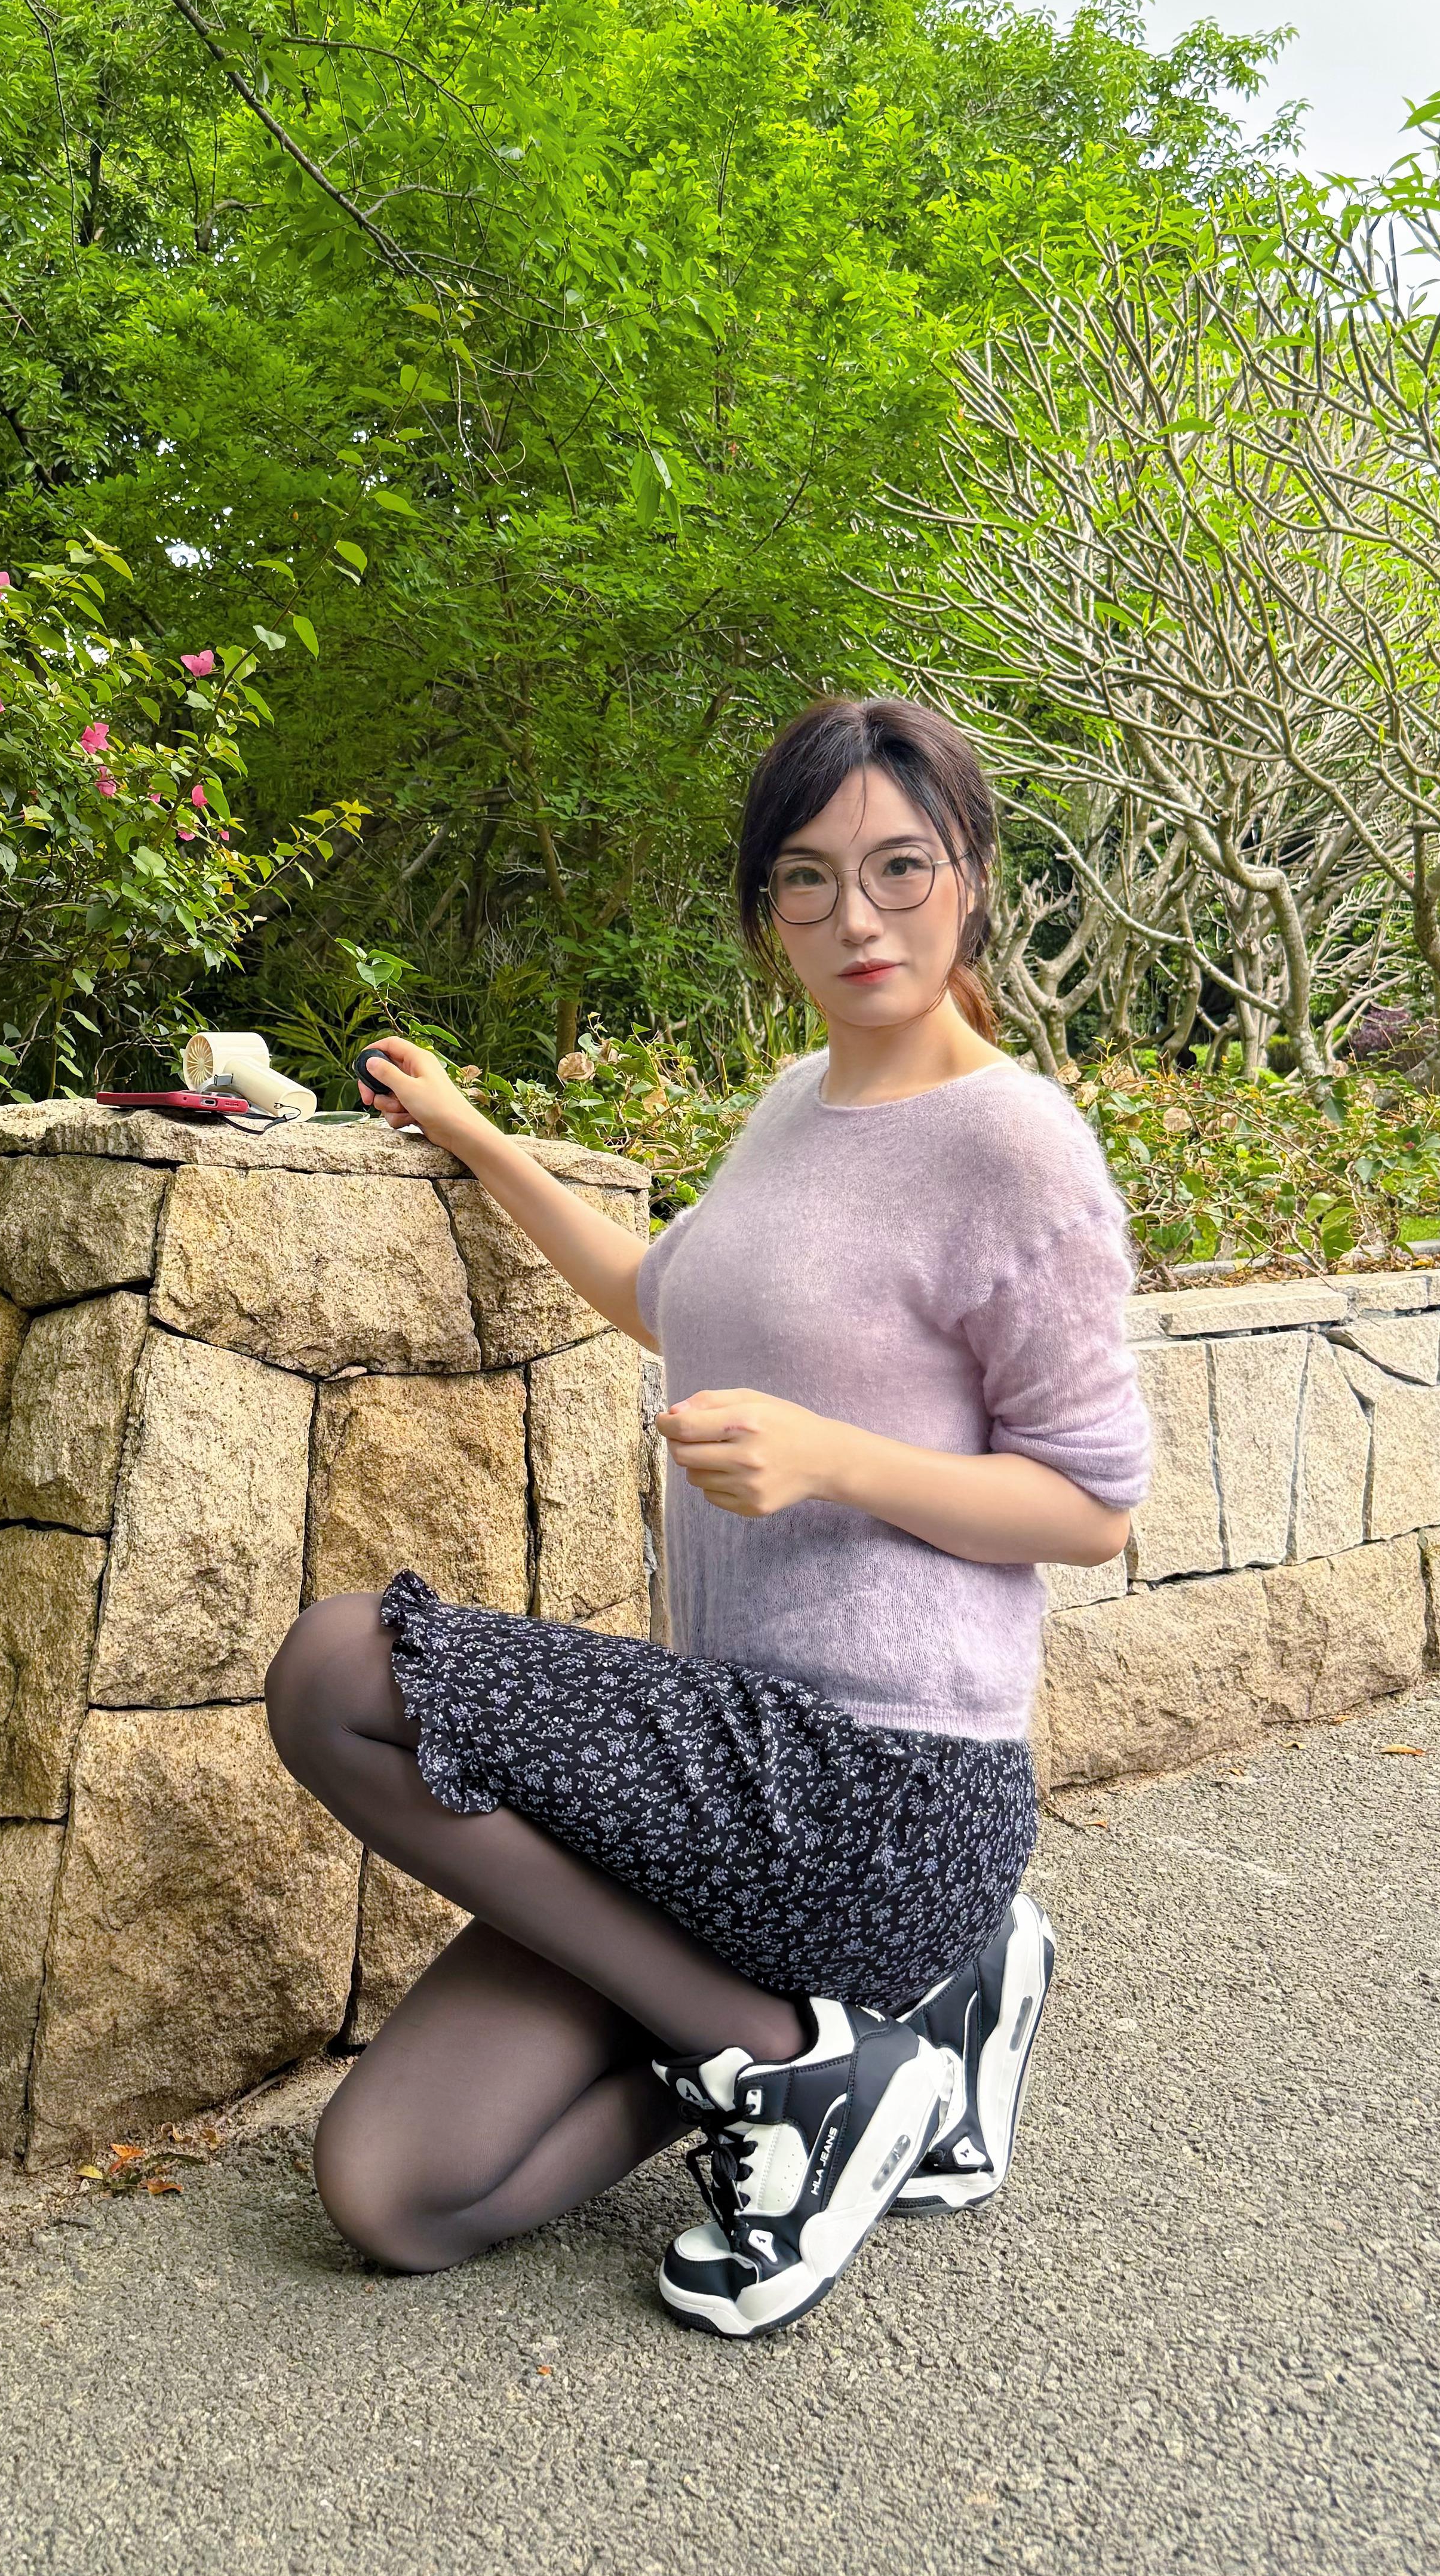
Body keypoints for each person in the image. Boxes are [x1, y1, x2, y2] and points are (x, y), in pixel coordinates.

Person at [264, 695, 1152, 2340]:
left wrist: (833, 1459)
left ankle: (805, 2065)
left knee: (337, 1672)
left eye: (899, 867)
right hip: (725, 1790)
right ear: (767, 908)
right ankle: (881, 2031)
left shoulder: (1016, 1147)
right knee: (399, 2192)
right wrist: (471, 1133)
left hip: (879, 1791)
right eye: (806, 879)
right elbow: (655, 1297)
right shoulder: (796, 1103)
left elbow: (1092, 1504)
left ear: (969, 875)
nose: (855, 916)